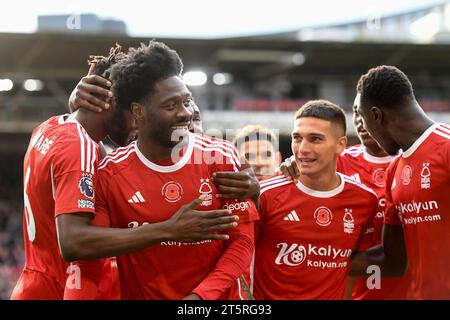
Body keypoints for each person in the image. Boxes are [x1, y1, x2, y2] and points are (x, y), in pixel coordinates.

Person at [11, 45, 238, 300]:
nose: (137, 124)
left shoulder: (48, 128)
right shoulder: (80, 147)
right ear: (109, 101)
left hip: (34, 280)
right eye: (133, 112)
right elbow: (73, 241)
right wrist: (169, 230)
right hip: (62, 287)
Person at [71, 40, 259, 300]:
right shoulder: (109, 174)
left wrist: (197, 299)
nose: (185, 113)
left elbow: (242, 242)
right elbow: (88, 244)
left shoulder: (221, 156)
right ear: (138, 112)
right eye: (171, 106)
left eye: (187, 101)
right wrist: (167, 229)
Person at [253, 100, 378, 299]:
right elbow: (236, 260)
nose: (302, 148)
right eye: (297, 138)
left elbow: (353, 263)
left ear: (340, 145)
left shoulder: (365, 200)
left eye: (315, 139)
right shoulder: (264, 195)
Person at [350, 65, 450, 299]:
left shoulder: (446, 149)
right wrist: (319, 258)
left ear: (376, 115)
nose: (365, 130)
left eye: (363, 118)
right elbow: (393, 261)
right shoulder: (395, 171)